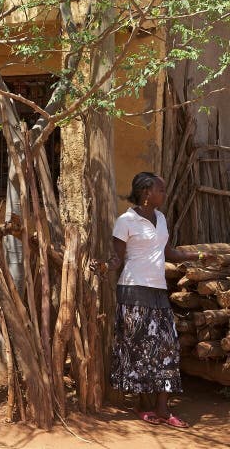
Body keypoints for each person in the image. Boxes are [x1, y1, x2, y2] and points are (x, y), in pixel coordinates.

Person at [105, 172, 216, 428]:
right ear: (146, 193)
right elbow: (117, 259)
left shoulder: (162, 218)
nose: (164, 194)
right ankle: (143, 406)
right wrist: (104, 267)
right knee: (140, 350)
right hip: (133, 290)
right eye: (161, 190)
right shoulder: (126, 221)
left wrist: (198, 256)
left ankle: (163, 409)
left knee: (168, 348)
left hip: (157, 291)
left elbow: (168, 253)